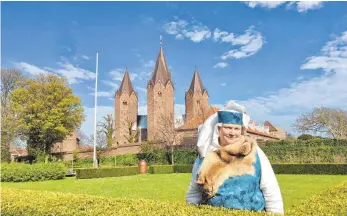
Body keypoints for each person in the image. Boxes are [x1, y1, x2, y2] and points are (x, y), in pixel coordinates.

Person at [186, 101, 284, 214]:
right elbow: (193, 194)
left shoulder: (255, 153)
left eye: (236, 129)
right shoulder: (205, 156)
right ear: (219, 129)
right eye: (228, 128)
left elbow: (271, 190)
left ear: (241, 131)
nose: (232, 133)